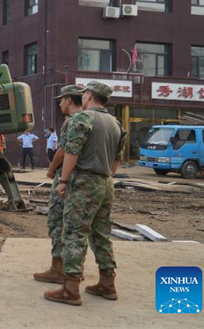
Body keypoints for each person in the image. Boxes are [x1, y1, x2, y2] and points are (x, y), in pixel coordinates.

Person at [45, 81, 125, 306]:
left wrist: (62, 180)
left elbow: (71, 151)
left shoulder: (83, 119)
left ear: (88, 96)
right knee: (101, 233)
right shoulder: (115, 123)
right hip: (105, 182)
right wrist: (106, 176)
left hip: (83, 183)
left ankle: (70, 289)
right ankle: (107, 284)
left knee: (74, 233)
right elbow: (117, 158)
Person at [34, 85, 84, 284]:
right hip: (82, 179)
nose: (60, 103)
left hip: (67, 177)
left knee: (57, 222)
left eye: (61, 100)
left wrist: (52, 169)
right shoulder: (92, 120)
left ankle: (58, 269)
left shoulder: (72, 122)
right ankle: (75, 269)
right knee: (77, 227)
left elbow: (64, 150)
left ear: (69, 100)